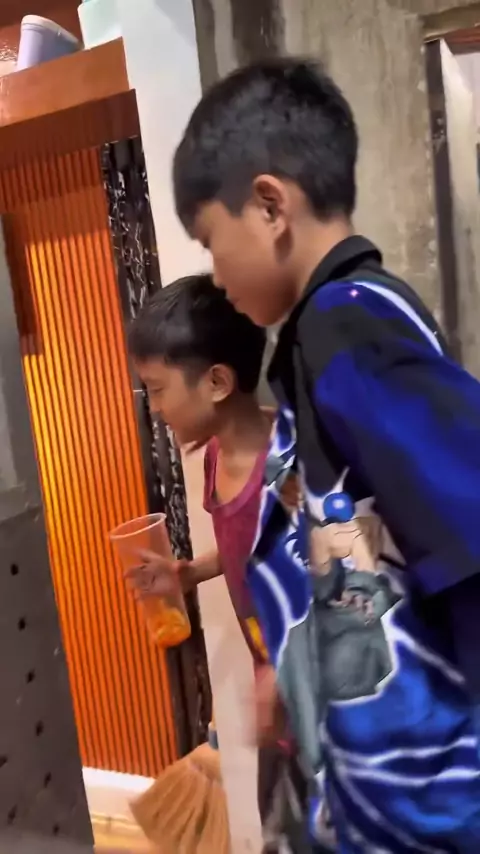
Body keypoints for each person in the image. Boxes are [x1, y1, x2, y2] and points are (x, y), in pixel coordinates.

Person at [172, 57, 480, 852]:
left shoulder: (347, 327)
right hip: (380, 802)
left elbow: (470, 529)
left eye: (211, 241)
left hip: (430, 811)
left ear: (270, 205)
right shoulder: (327, 337)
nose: (217, 274)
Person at [126, 273, 311, 853]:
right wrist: (189, 572)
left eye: (158, 389)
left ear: (217, 382)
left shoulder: (288, 474)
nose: (155, 408)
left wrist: (283, 671)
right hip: (282, 716)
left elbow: (341, 581)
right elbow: (245, 553)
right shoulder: (214, 459)